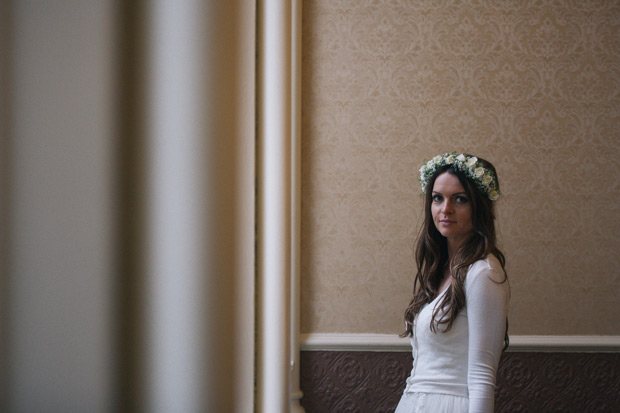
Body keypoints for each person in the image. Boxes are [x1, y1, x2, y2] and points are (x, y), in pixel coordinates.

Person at [395, 152, 509, 413]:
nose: (445, 209)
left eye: (460, 199)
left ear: (478, 206)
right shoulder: (439, 271)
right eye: (438, 198)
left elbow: (482, 377)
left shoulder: (483, 273)